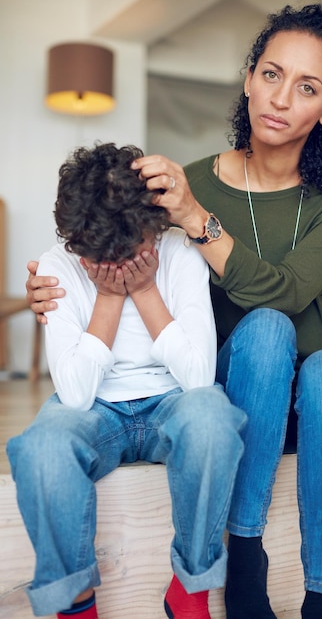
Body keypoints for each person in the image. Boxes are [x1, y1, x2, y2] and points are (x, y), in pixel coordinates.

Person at [25, 2, 322, 619]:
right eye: (271, 74)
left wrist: (196, 219)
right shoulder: (192, 179)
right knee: (264, 337)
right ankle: (244, 560)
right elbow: (111, 235)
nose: (279, 99)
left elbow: (288, 292)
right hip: (249, 387)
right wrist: (57, 280)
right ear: (249, 78)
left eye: (306, 88)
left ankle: (320, 599)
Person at [8, 142, 246, 619]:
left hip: (172, 399)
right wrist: (110, 297)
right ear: (77, 243)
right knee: (40, 448)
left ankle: (191, 587)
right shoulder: (58, 266)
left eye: (134, 249)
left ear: (154, 224)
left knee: (214, 421)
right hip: (97, 408)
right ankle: (75, 604)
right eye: (102, 258)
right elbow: (75, 394)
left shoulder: (179, 252)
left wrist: (143, 289)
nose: (118, 264)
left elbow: (198, 376)